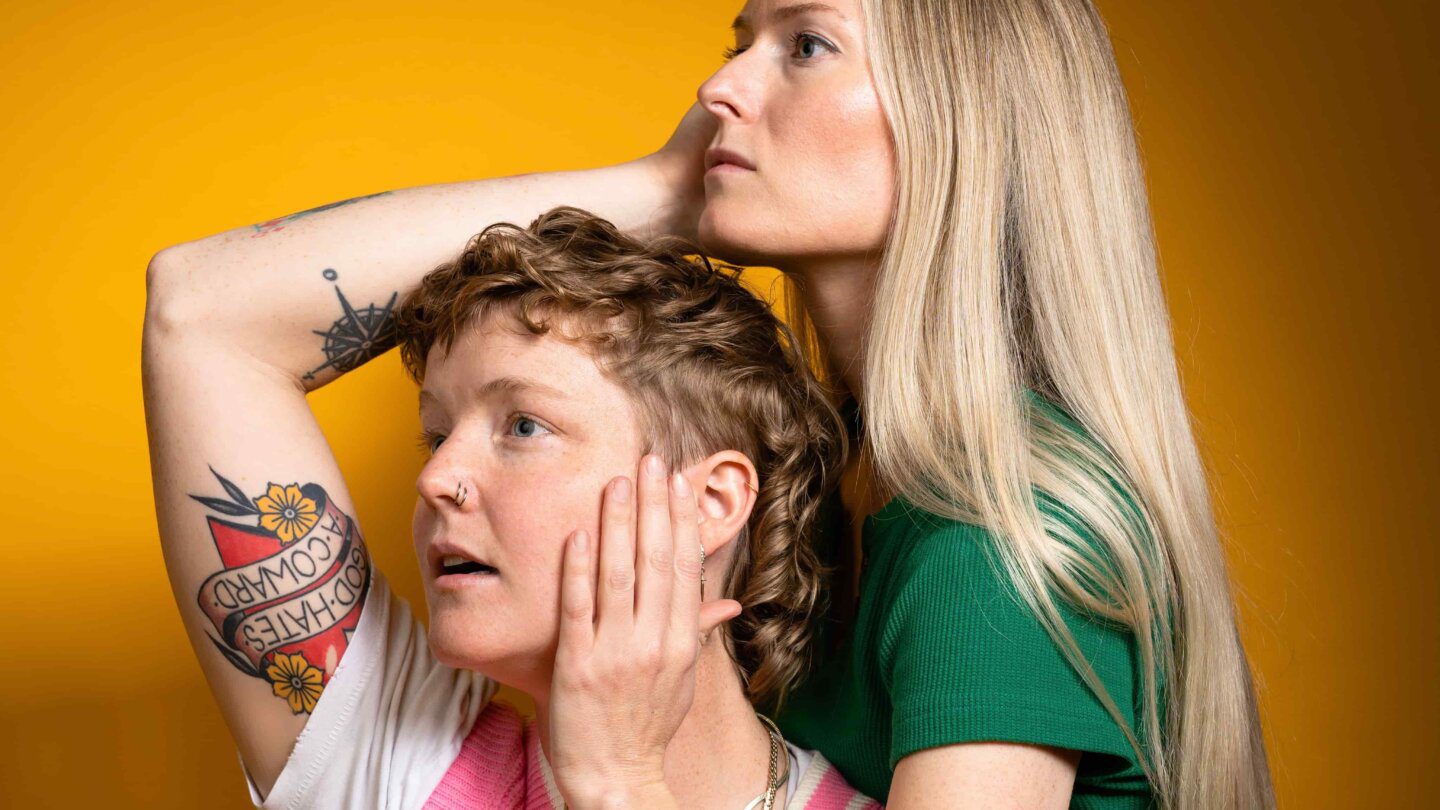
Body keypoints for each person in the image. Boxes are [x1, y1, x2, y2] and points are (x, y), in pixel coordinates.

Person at [146, 0, 1275, 805]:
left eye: (806, 44)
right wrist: (662, 190)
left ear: (964, 117)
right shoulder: (840, 497)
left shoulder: (993, 529)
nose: (718, 89)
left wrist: (617, 779)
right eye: (739, 44)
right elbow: (202, 310)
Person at [143, 205, 878, 808]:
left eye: (524, 426)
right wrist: (679, 191)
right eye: (436, 436)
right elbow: (201, 310)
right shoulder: (396, 771)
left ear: (709, 503)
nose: (437, 478)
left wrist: (617, 783)